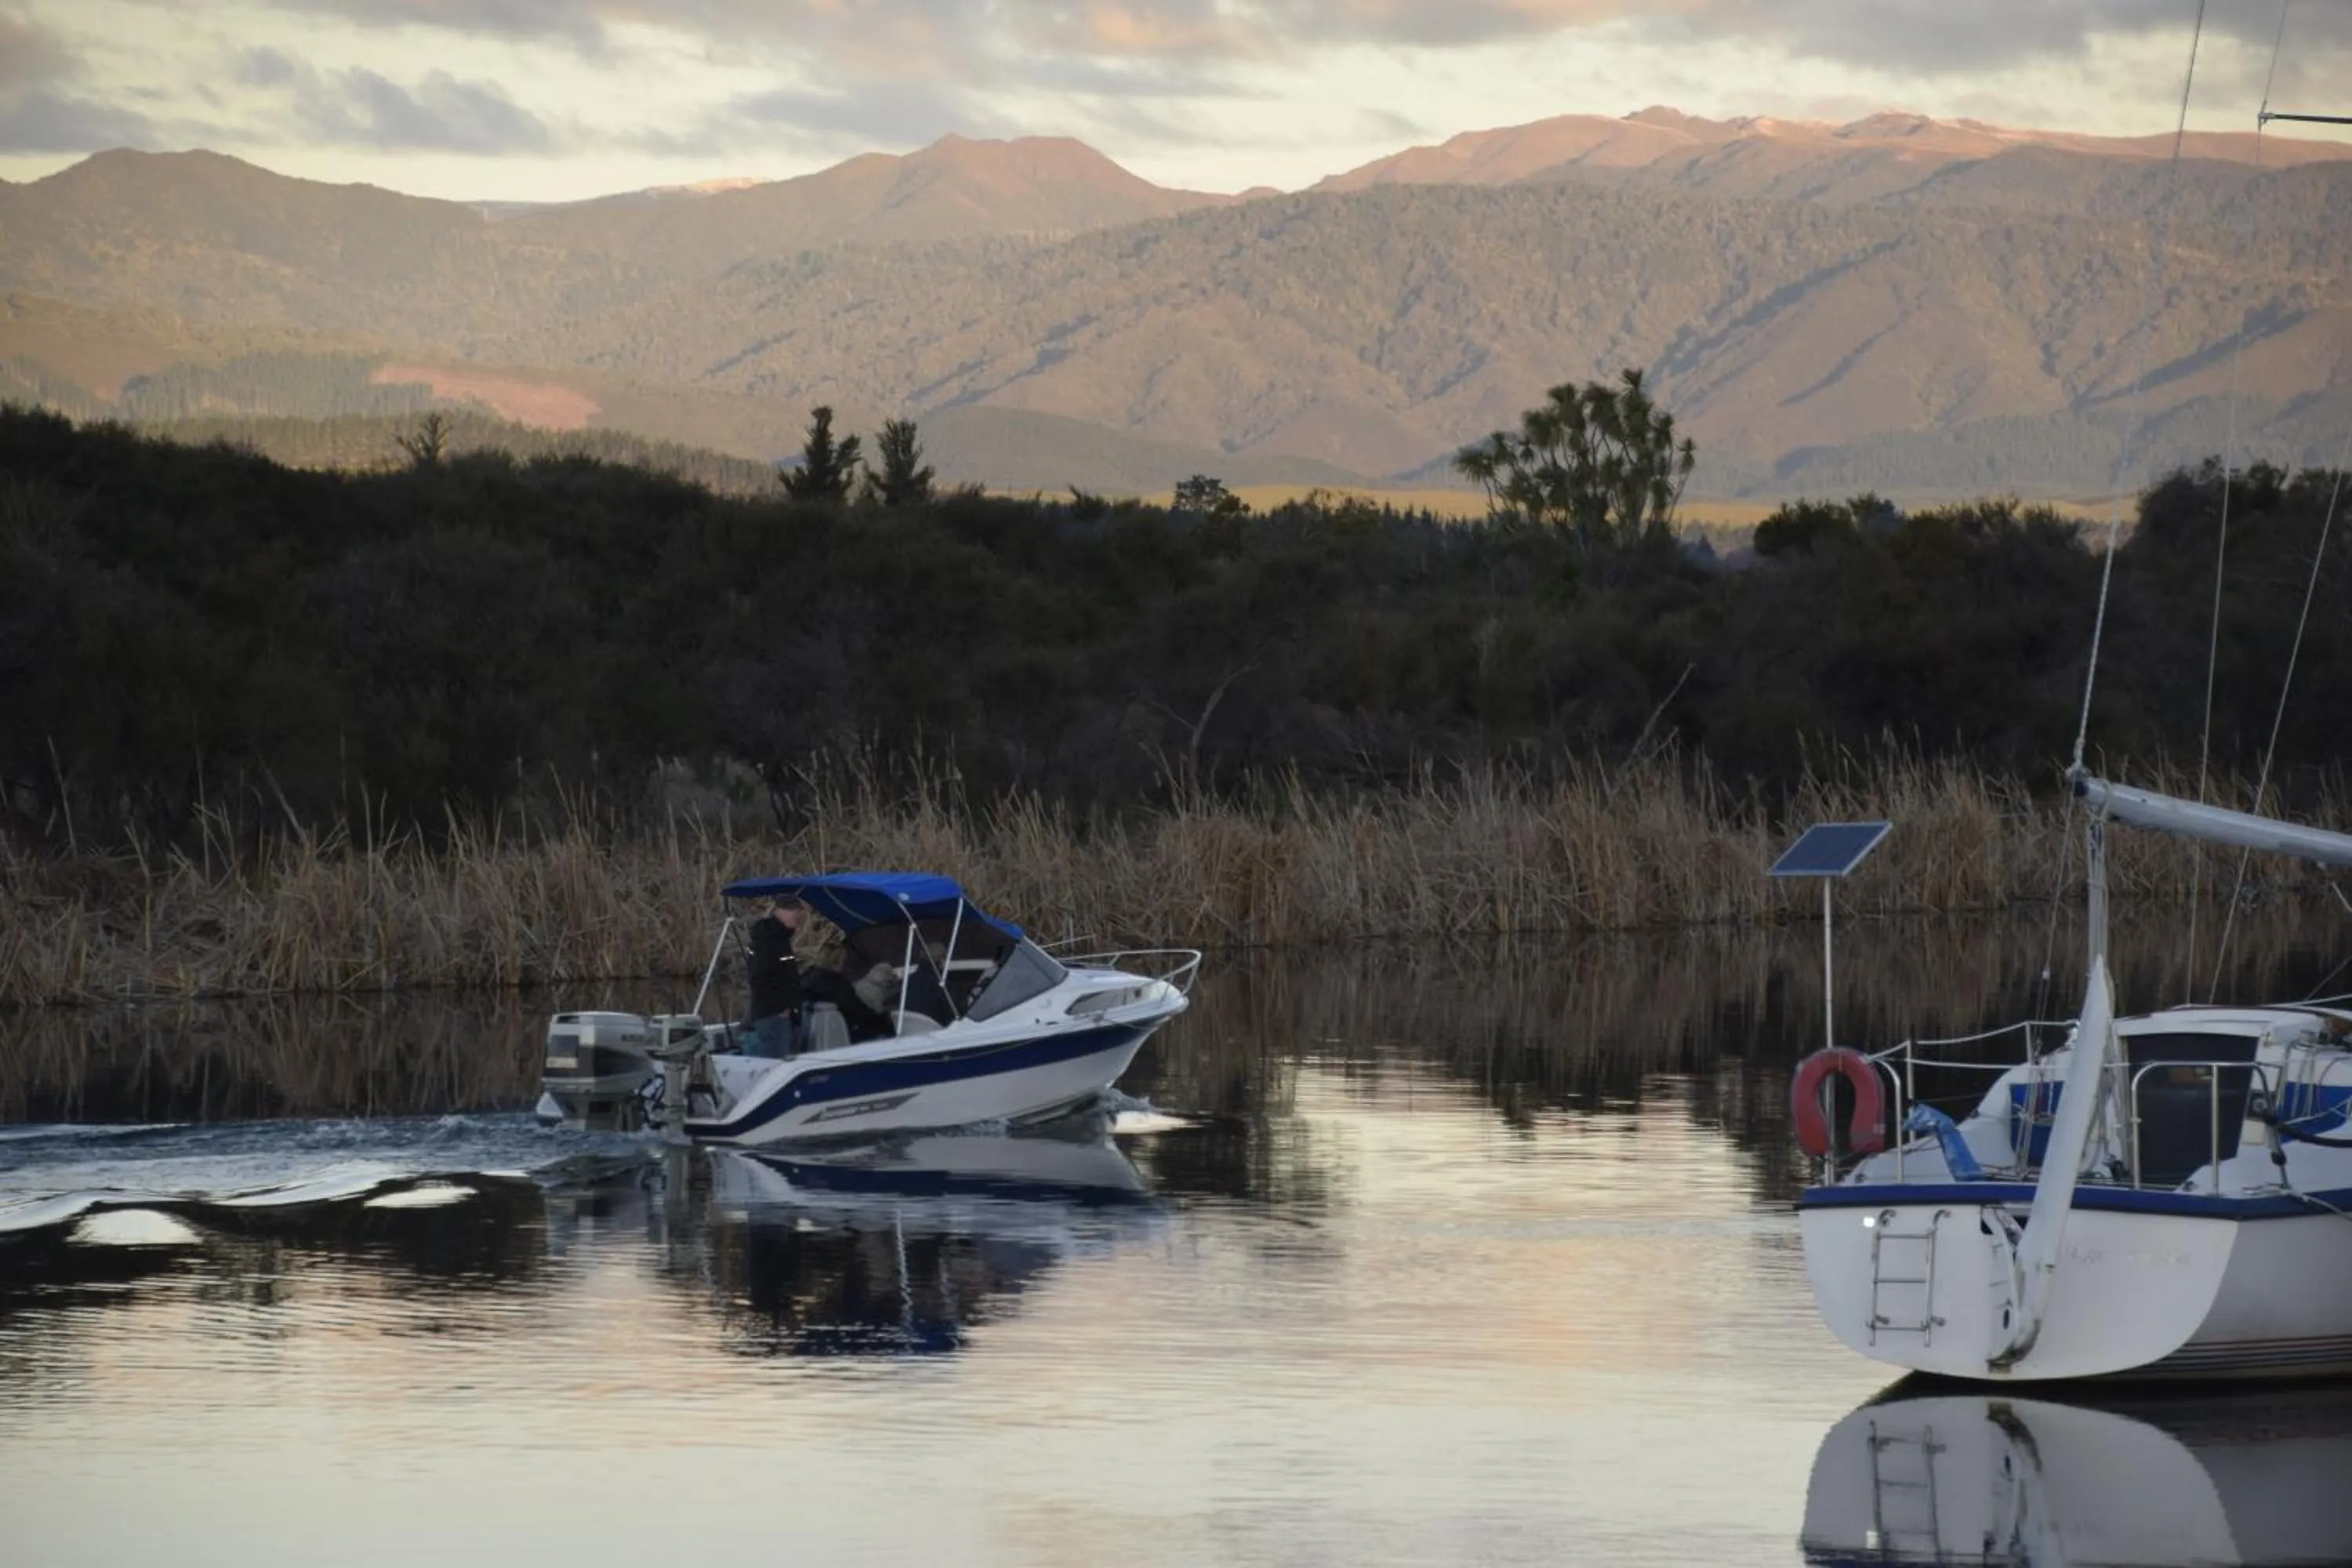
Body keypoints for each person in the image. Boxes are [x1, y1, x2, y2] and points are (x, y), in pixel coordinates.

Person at [742, 898, 806, 1058]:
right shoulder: (769, 941)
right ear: (779, 912)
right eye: (793, 912)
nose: (796, 917)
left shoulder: (780, 939)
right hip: (773, 1018)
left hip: (780, 1016)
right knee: (776, 1063)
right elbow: (758, 980)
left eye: (797, 912)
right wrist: (781, 1008)